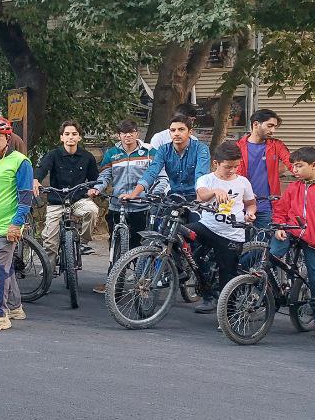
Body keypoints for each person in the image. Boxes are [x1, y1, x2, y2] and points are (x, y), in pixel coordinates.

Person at [0, 117, 35, 332]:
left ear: (7, 139)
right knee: (5, 267)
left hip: (7, 227)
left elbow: (26, 196)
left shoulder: (21, 161)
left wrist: (16, 224)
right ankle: (15, 307)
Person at [89, 120, 155, 293]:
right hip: (117, 207)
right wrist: (97, 189)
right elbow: (105, 176)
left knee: (140, 246)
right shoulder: (112, 153)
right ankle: (113, 282)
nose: (128, 135)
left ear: (137, 133)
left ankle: (141, 284)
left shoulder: (149, 151)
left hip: (141, 207)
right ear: (119, 136)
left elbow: (155, 175)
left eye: (131, 132)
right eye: (124, 133)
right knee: (115, 246)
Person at [192, 140, 257, 313]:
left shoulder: (243, 182)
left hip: (232, 234)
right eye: (228, 167)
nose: (232, 170)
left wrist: (250, 213)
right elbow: (202, 195)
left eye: (236, 166)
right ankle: (182, 275)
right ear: (216, 163)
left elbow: (251, 203)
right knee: (179, 234)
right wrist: (215, 191)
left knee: (227, 275)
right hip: (207, 227)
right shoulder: (206, 179)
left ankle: (229, 313)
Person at [272, 146, 315, 342]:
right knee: (271, 255)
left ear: (314, 165)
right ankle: (269, 289)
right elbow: (280, 210)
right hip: (291, 231)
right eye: (293, 166)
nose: (294, 170)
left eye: (299, 166)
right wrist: (279, 227)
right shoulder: (294, 187)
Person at [34, 120, 101, 264]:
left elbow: (94, 180)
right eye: (67, 134)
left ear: (79, 137)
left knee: (92, 211)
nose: (71, 137)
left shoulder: (87, 157)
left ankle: (83, 242)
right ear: (62, 137)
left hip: (79, 200)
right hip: (57, 201)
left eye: (74, 134)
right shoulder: (53, 155)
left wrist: (93, 189)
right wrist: (36, 180)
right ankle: (49, 270)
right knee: (50, 242)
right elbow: (42, 169)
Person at [124, 114, 211, 203]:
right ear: (169, 133)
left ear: (190, 132)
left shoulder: (201, 149)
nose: (176, 133)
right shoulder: (164, 150)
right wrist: (133, 194)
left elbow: (201, 176)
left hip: (196, 196)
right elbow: (151, 172)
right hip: (174, 196)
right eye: (173, 130)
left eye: (181, 129)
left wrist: (199, 201)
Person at [236, 108, 291, 229]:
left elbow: (292, 163)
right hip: (241, 204)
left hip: (267, 205)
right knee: (240, 240)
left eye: (275, 127)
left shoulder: (277, 145)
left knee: (265, 239)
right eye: (270, 126)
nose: (273, 131)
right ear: (256, 124)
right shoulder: (237, 147)